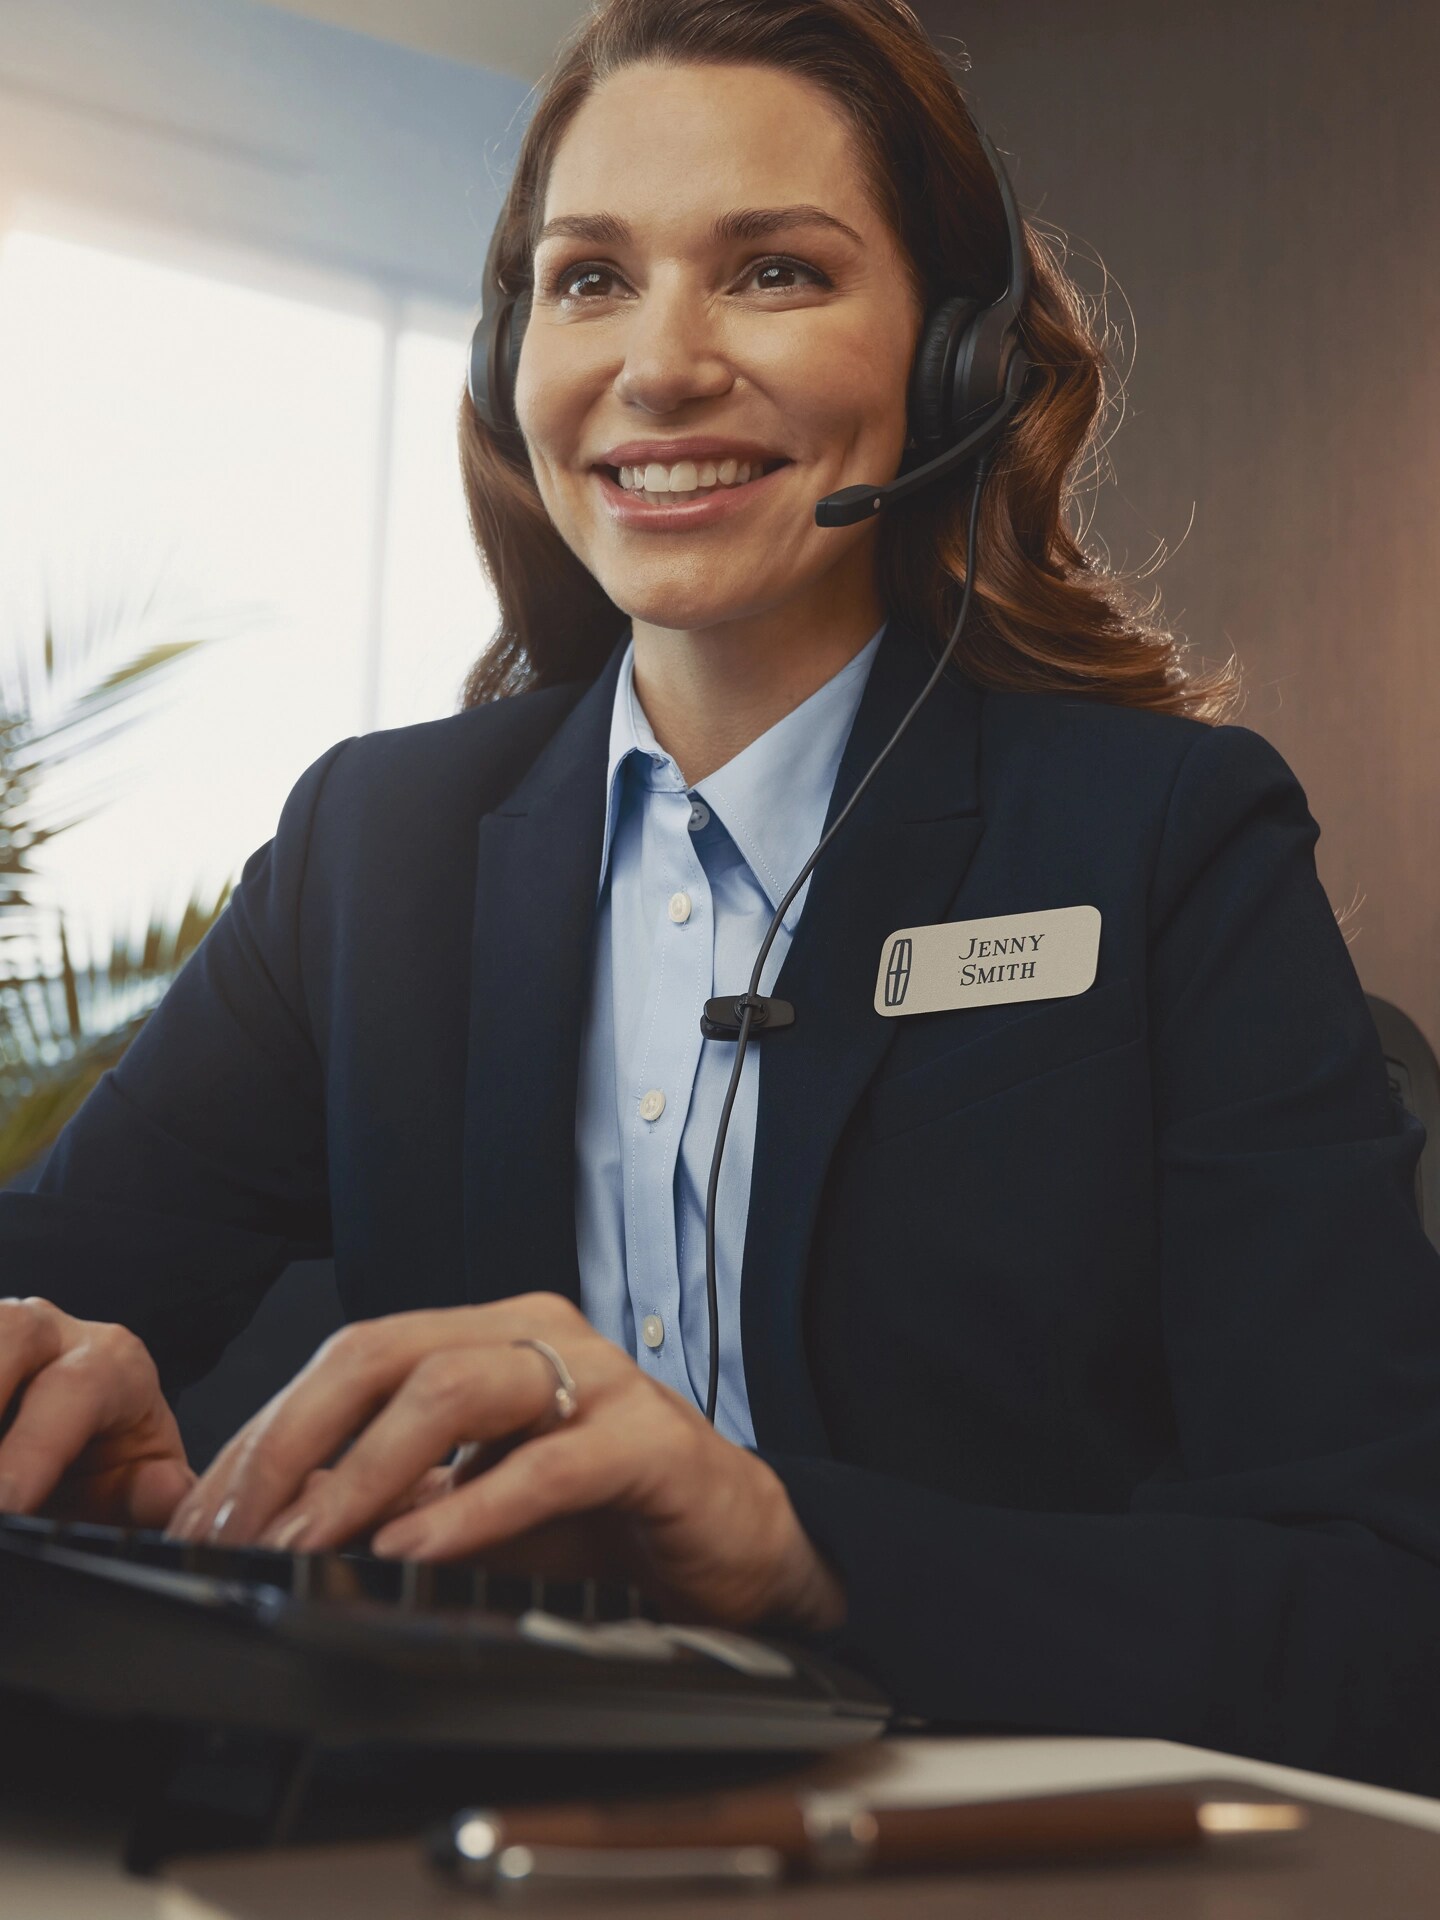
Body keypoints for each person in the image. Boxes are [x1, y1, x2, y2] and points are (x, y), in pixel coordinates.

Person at [3, 0, 1439, 1795]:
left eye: (773, 272)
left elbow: (1385, 1607)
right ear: (508, 364)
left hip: (999, 1855)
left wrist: (787, 1540)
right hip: (458, 1853)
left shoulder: (1166, 841)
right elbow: (54, 1284)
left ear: (955, 358)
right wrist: (45, 1376)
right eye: (590, 280)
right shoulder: (375, 849)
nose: (661, 365)